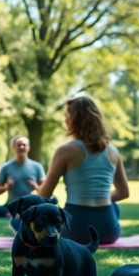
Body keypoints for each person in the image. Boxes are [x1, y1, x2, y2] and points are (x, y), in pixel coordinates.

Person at [38, 96, 130, 245]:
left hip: (75, 232)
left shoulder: (66, 150)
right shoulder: (113, 151)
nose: (65, 120)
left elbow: (45, 196)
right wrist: (101, 200)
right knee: (114, 207)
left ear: (74, 119)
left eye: (66, 115)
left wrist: (39, 188)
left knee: (18, 223)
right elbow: (123, 193)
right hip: (108, 232)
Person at [0, 136, 53, 231]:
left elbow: (46, 192)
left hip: (32, 205)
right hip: (12, 206)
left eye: (24, 145)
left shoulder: (37, 166)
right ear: (13, 148)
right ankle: (12, 213)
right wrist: (7, 186)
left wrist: (36, 187)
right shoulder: (6, 167)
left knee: (53, 201)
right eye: (19, 145)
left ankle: (21, 213)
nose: (22, 147)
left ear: (29, 147)